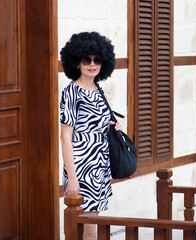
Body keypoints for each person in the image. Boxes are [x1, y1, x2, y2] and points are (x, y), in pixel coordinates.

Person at [60, 32, 122, 240]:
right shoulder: (71, 92)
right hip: (81, 164)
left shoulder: (98, 90)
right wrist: (72, 178)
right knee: (88, 223)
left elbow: (97, 124)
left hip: (99, 163)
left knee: (92, 219)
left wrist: (114, 125)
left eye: (97, 60)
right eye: (87, 59)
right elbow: (65, 137)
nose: (92, 64)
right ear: (77, 63)